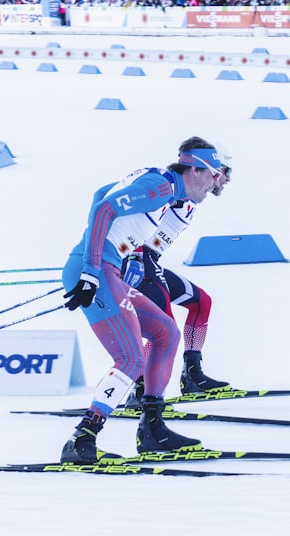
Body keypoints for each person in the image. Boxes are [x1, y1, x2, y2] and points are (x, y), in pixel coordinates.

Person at [59, 140, 224, 464]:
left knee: (166, 332)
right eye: (213, 174)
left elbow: (100, 195)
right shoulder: (161, 186)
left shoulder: (166, 189)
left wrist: (124, 253)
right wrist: (91, 268)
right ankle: (82, 439)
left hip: (107, 267)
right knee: (130, 357)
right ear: (195, 169)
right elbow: (103, 209)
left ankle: (152, 429)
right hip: (96, 268)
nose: (215, 183)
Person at [120, 137, 234, 406]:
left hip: (152, 262)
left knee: (201, 302)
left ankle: (192, 375)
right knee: (164, 329)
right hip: (138, 261)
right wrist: (131, 255)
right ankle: (142, 390)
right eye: (225, 174)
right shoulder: (180, 190)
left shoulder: (195, 196)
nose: (226, 181)